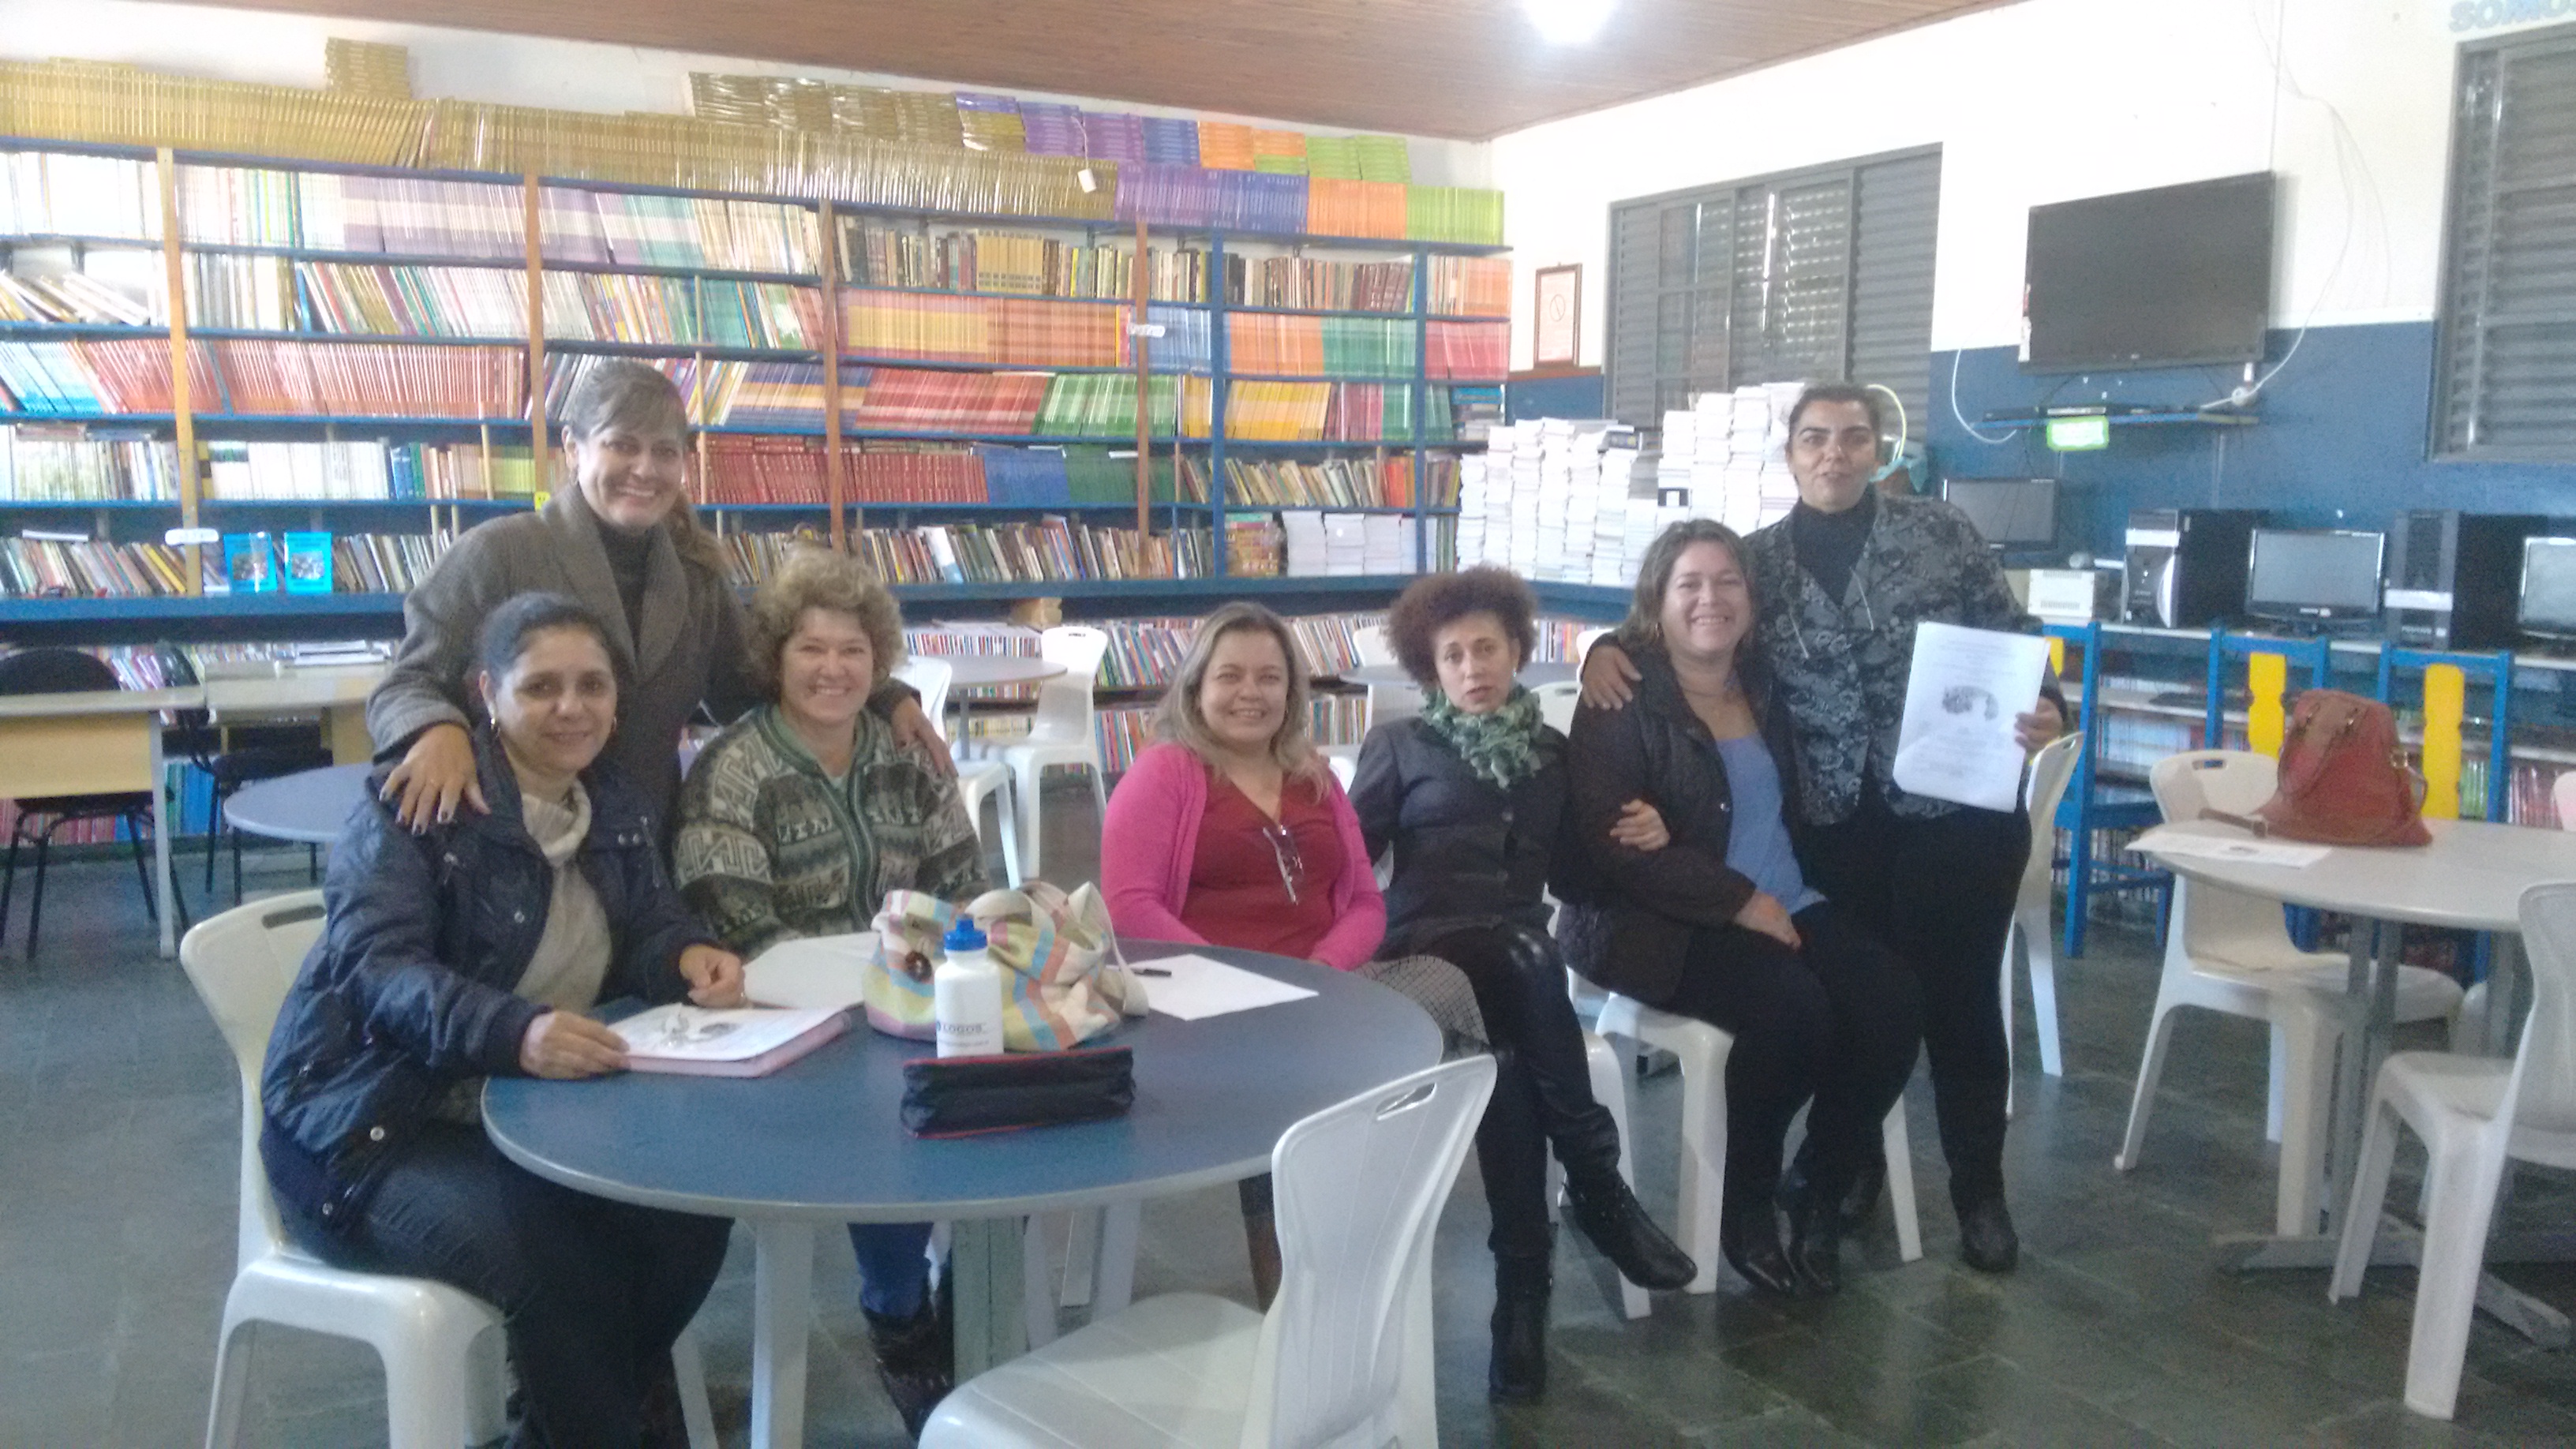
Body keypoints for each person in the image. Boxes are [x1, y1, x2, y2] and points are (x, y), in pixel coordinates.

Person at [1580, 383, 2062, 1273]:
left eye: (1851, 438)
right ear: (1791, 456)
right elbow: (1678, 618)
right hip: (1837, 828)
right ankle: (1845, 1177)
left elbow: (2015, 633)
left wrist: (2047, 703)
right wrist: (1596, 651)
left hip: (1957, 818)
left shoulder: (1941, 534)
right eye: (1813, 440)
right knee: (1867, 1004)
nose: (1833, 455)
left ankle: (1979, 1195)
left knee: (1958, 1007)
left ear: (1879, 449)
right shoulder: (1757, 561)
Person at [260, 593, 747, 1448]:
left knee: (694, 1211)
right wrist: (513, 1032)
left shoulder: (614, 801)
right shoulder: (411, 804)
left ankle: (571, 1424)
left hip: (526, 1110)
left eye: (593, 686)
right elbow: (378, 971)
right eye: (542, 687)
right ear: (489, 692)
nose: (572, 708)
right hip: (373, 1125)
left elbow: (646, 927)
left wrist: (683, 957)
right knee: (559, 1267)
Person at [1346, 567, 1695, 1402]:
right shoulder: (1400, 746)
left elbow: (1579, 871)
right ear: (1431, 669)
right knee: (1529, 958)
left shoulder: (1551, 755)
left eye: (1488, 649)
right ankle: (1598, 1185)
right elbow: (1351, 872)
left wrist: (1653, 824)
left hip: (1515, 984)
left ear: (1517, 653)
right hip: (1419, 960)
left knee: (1505, 1064)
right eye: (1454, 655)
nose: (1474, 668)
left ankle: (1523, 1297)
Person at [1556, 520, 1924, 1297]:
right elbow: (1617, 844)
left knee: (1892, 1000)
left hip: (1785, 896)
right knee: (1794, 1013)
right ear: (1657, 602)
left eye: (1728, 582)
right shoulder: (1619, 695)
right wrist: (1738, 900)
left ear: (1753, 602)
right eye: (1689, 583)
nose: (1710, 599)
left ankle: (1817, 1185)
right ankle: (1746, 1204)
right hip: (1661, 921)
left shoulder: (1762, 680)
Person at [671, 548, 986, 1436]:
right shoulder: (732, 772)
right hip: (794, 1032)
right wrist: (884, 982)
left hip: (917, 1006)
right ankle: (900, 1318)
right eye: (812, 649)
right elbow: (741, 933)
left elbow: (963, 885)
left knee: (1025, 1105)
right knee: (886, 1122)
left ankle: (976, 1313)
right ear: (775, 658)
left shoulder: (907, 755)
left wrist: (937, 964)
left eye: (853, 651)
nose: (833, 669)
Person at [367, 357, 948, 837]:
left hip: (644, 846)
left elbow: (748, 685)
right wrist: (435, 730)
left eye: (665, 452)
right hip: (508, 843)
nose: (645, 470)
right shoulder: (498, 553)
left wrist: (882, 694)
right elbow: (407, 682)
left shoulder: (696, 574)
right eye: (623, 446)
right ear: (574, 448)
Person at [1099, 601, 1485, 1310]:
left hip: (1321, 985)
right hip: (1204, 1001)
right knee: (1294, 1083)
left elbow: (1368, 901)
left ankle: (1376, 1223)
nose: (1251, 693)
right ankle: (1297, 1306)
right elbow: (1130, 910)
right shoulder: (1166, 774)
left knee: (1447, 990)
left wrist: (1325, 972)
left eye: (1270, 678)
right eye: (1231, 676)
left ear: (1291, 692)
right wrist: (1249, 981)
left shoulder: (1312, 774)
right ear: (1196, 687)